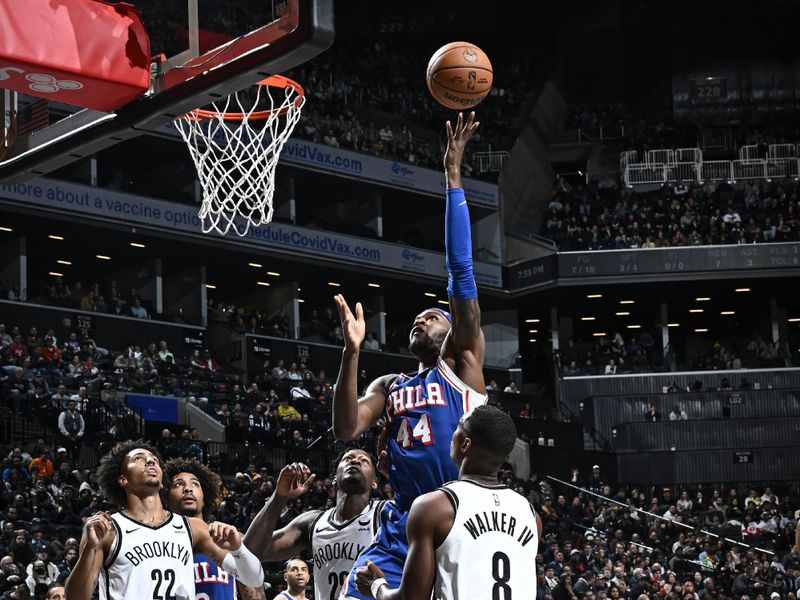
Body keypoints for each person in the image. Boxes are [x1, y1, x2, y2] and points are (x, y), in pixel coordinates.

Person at [333, 112, 487, 599]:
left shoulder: (462, 363)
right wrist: (351, 353)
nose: (422, 319)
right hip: (401, 523)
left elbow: (461, 272)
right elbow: (345, 428)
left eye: (433, 315)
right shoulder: (391, 386)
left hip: (460, 512)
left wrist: (453, 180)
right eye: (416, 317)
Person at [355, 405, 541, 599]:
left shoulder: (435, 508)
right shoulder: (532, 516)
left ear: (465, 445)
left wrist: (376, 585)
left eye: (458, 427)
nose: (452, 433)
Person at [64, 439, 264, 600]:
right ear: (123, 479)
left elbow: (253, 578)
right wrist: (90, 549)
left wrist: (239, 549)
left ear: (161, 482)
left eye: (153, 459)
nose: (150, 461)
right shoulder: (107, 529)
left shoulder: (193, 527)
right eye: (139, 458)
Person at [244, 449, 383, 600]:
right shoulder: (312, 522)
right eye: (348, 458)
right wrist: (279, 497)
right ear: (335, 477)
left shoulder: (384, 515)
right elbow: (250, 552)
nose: (355, 461)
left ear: (374, 482)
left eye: (364, 461)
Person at [164, 457, 265, 600]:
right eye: (178, 484)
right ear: (165, 499)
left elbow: (254, 596)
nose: (188, 488)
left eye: (195, 484)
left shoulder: (230, 539)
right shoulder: (158, 541)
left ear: (204, 498)